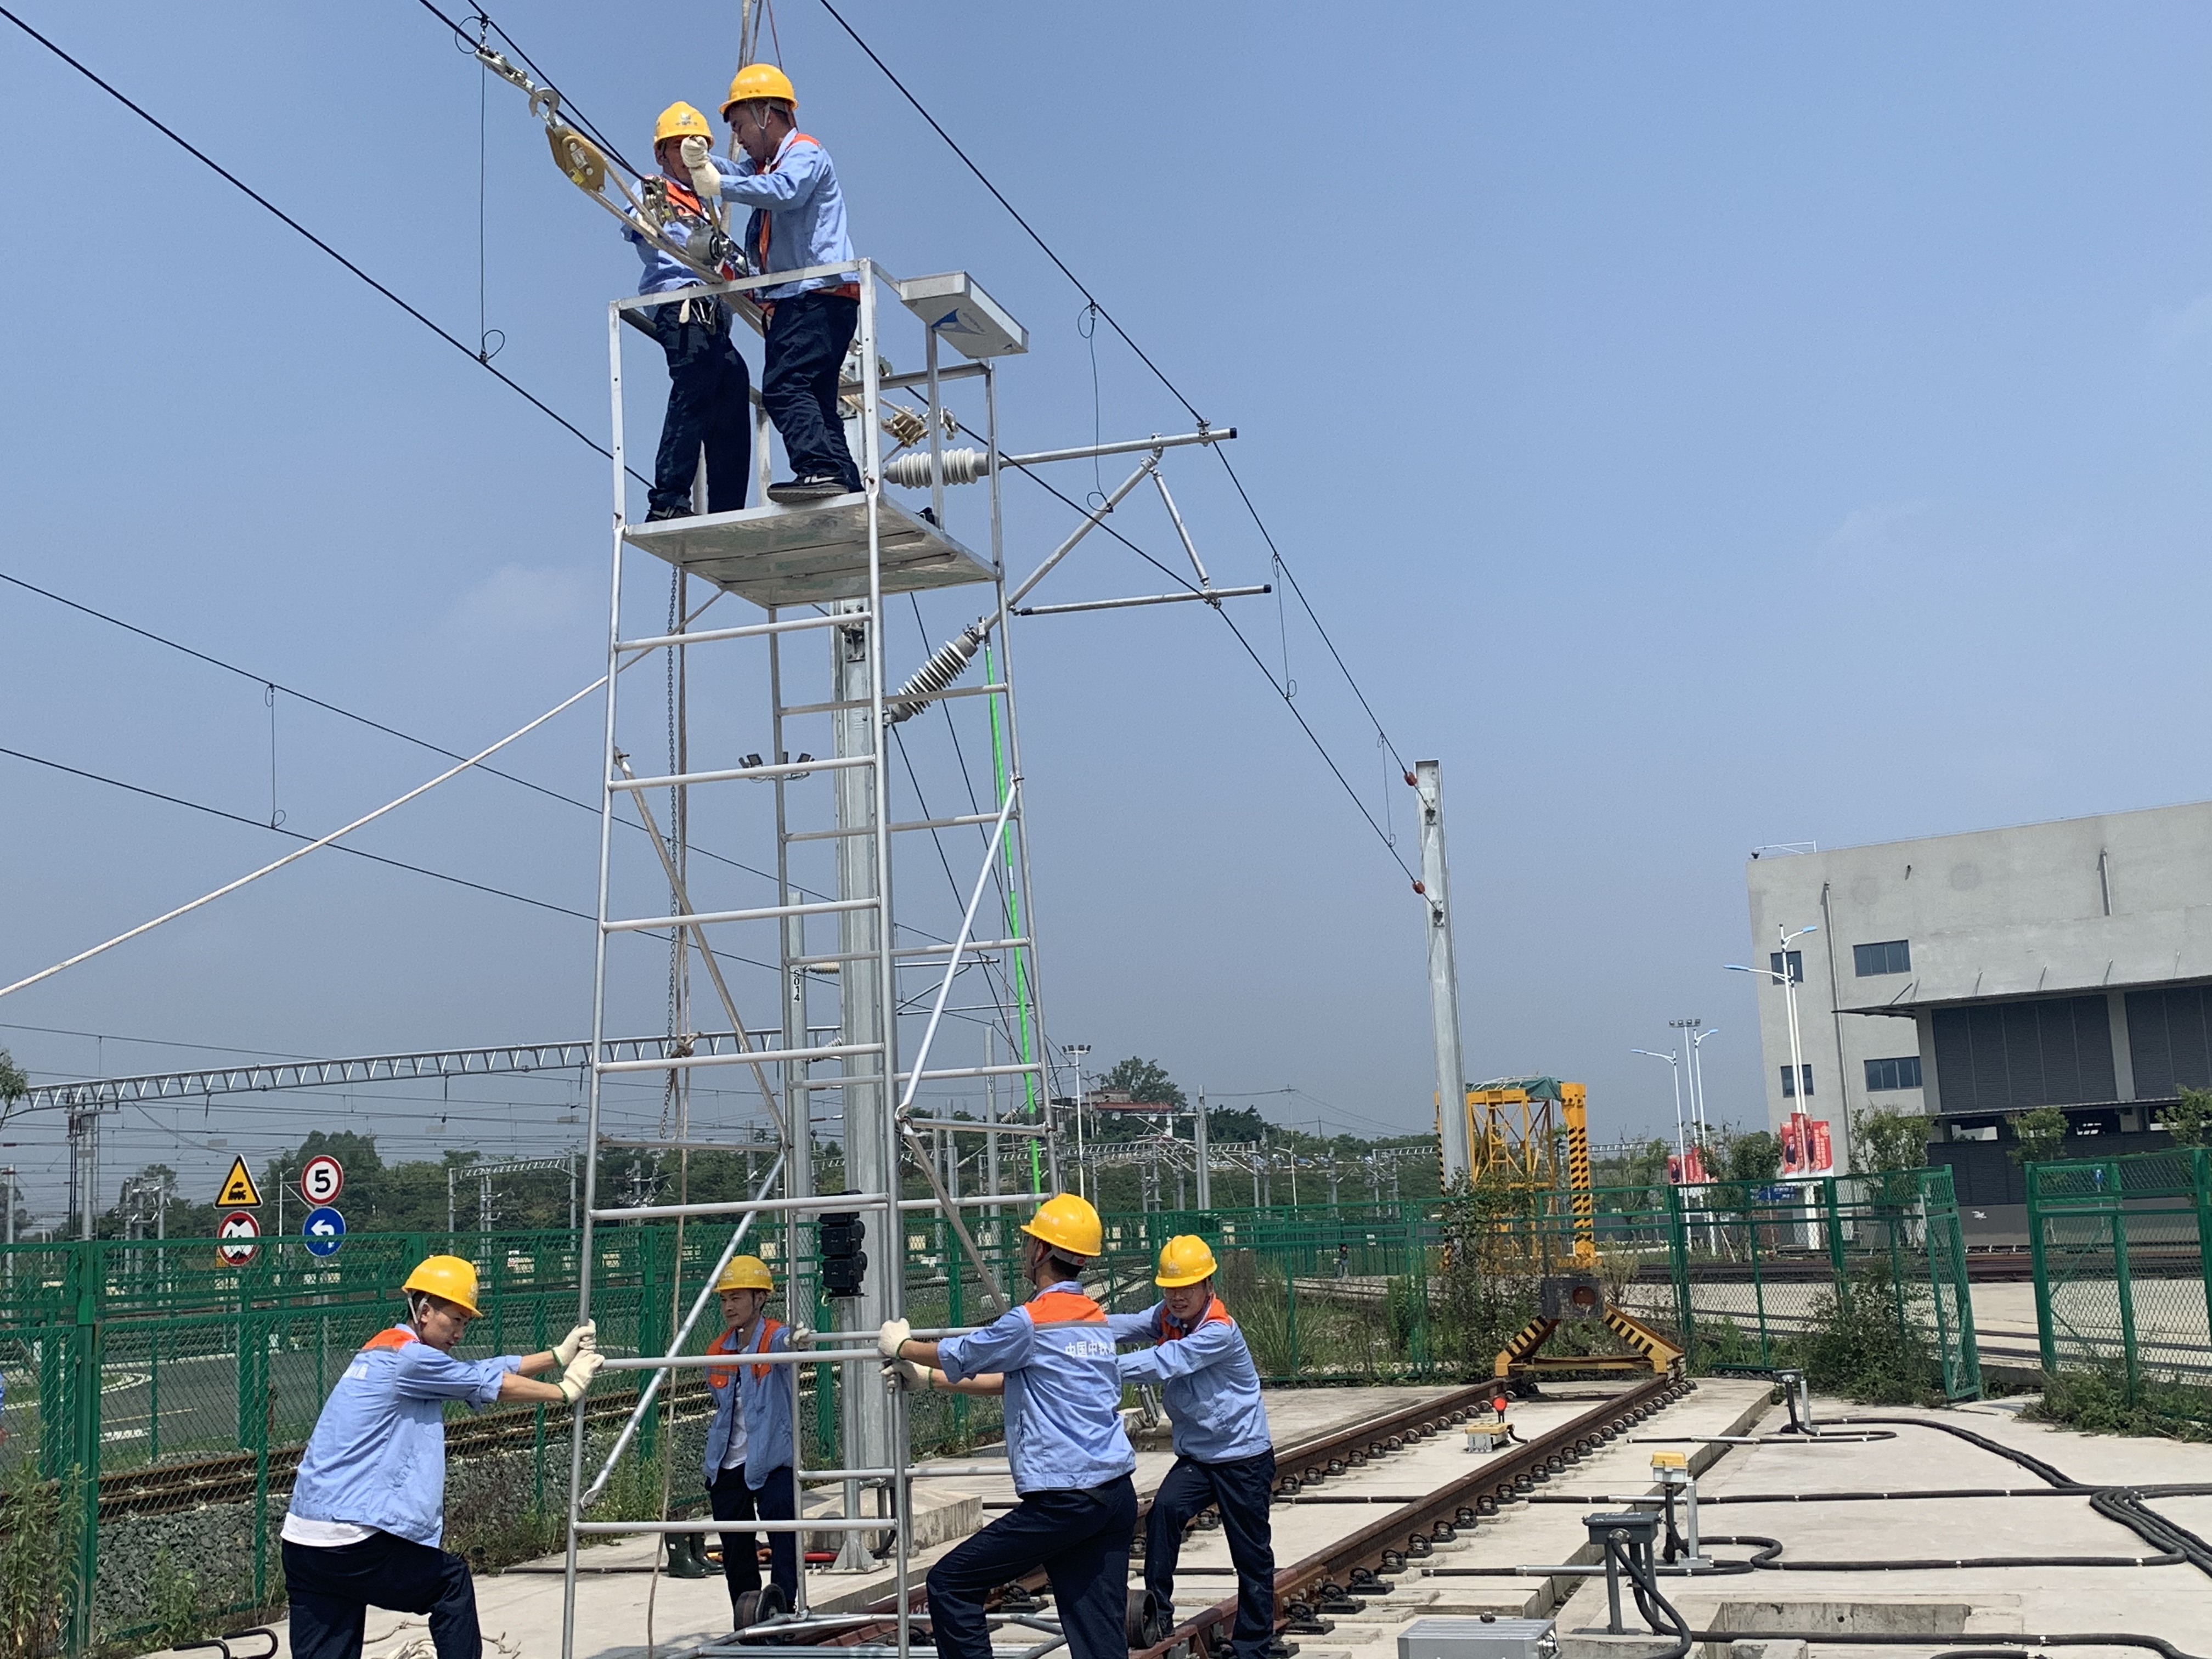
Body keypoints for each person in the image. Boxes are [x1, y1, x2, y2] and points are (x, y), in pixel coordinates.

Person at [281, 1255, 603, 1659]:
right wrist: (564, 1391)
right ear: (425, 1310)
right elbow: (487, 1382)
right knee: (449, 1584)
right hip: (350, 1539)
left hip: (303, 1541)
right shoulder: (411, 1360)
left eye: (466, 1322)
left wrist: (556, 1356)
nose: (460, 1332)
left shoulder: (385, 1349)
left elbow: (473, 1370)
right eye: (454, 1319)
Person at [877, 1194, 1136, 1659]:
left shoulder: (1032, 1320)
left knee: (951, 1584)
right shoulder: (1094, 1319)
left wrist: (904, 1347)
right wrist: (932, 1380)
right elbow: (1017, 1382)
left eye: (1030, 1243)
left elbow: (966, 1352)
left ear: (1040, 1251)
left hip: (1065, 1497)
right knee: (1098, 1637)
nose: (1025, 1252)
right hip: (1114, 1493)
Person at [693, 63, 861, 504]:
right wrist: (697, 159)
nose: (740, 136)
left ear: (767, 112)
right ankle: (843, 482)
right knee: (817, 398)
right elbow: (745, 174)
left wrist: (719, 184)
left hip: (814, 296)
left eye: (740, 125)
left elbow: (783, 191)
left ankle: (819, 469)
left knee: (785, 386)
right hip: (810, 300)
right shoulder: (771, 163)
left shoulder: (803, 153)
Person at [1108, 1236, 1274, 1659]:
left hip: (1243, 1457)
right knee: (1165, 1512)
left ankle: (1253, 1645)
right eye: (1170, 1287)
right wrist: (1074, 1329)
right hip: (1198, 1458)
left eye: (1187, 1288)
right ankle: (1158, 1613)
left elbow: (1167, 1362)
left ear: (1208, 1286)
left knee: (1250, 1553)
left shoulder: (1218, 1331)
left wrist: (1094, 1366)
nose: (1177, 1297)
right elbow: (1124, 1325)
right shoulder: (1168, 1316)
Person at [625, 100, 753, 522]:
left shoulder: (709, 197)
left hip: (712, 310)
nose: (686, 155)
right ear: (662, 155)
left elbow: (751, 177)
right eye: (677, 147)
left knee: (734, 389)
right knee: (694, 390)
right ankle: (668, 499)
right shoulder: (655, 188)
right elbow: (635, 216)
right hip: (680, 304)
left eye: (694, 146)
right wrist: (645, 220)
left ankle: (727, 509)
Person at [700, 1254, 815, 1623]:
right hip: (727, 1463)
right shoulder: (719, 1349)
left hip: (770, 1460)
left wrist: (800, 1339)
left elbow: (791, 1346)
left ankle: (782, 1608)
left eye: (736, 1297)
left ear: (760, 1298)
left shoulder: (774, 1337)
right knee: (736, 1546)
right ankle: (748, 1615)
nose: (728, 1306)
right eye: (724, 1298)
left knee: (784, 1530)